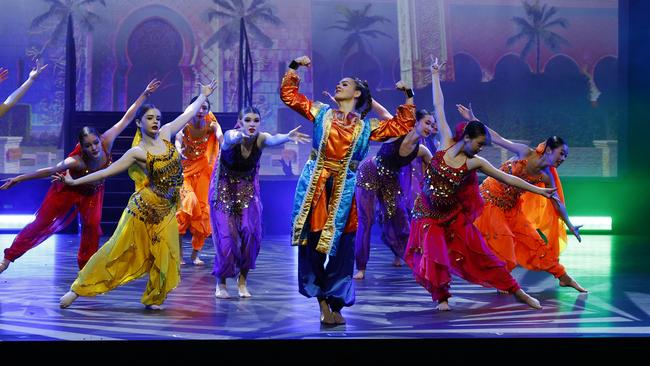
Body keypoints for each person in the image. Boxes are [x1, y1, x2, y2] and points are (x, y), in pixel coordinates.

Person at [403, 58, 556, 311]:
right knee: (433, 251)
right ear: (466, 138)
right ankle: (441, 297)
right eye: (479, 144)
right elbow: (438, 105)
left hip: (453, 216)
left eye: (483, 145)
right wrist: (434, 75)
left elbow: (507, 177)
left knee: (482, 254)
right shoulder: (444, 143)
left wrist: (539, 190)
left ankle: (518, 291)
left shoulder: (475, 163)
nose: (481, 148)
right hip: (427, 212)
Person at [57, 79, 217, 310]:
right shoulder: (137, 152)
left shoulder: (167, 134)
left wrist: (202, 95)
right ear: (140, 123)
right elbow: (107, 171)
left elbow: (188, 113)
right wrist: (74, 181)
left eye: (158, 118)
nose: (155, 122)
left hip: (166, 211)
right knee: (115, 251)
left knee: (165, 256)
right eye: (150, 118)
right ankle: (77, 289)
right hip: (142, 211)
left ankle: (154, 299)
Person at [280, 55, 416, 325]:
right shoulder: (321, 112)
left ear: (356, 93)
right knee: (313, 246)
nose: (338, 86)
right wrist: (295, 67)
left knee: (343, 249)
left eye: (344, 84)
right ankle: (321, 301)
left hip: (344, 190)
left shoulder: (366, 127)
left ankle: (337, 301)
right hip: (316, 186)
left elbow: (402, 125)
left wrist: (408, 95)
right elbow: (289, 95)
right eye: (338, 84)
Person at [0, 79, 161, 273]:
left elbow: (127, 117)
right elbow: (49, 170)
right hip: (68, 188)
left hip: (92, 191)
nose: (94, 148)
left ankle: (86, 272)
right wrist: (18, 179)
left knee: (92, 227)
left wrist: (145, 93)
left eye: (95, 143)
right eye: (88, 145)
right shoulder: (75, 161)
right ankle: (8, 258)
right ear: (82, 148)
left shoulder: (106, 141)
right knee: (41, 223)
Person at [457, 104, 586, 293]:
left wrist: (569, 224)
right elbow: (498, 139)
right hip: (489, 200)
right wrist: (473, 119)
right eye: (561, 154)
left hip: (511, 207)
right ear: (549, 150)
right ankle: (503, 279)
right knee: (504, 243)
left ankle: (563, 277)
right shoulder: (525, 152)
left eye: (565, 156)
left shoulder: (546, 176)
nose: (563, 158)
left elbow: (557, 202)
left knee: (535, 243)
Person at [210, 106, 309, 299]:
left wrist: (287, 137)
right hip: (224, 189)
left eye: (256, 120)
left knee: (250, 233)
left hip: (246, 189)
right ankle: (221, 281)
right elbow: (228, 140)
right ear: (240, 122)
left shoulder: (261, 138)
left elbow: (273, 139)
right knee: (227, 238)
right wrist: (239, 136)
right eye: (247, 120)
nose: (252, 124)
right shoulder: (232, 135)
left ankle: (242, 280)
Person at [353, 108, 436, 279]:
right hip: (370, 172)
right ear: (416, 122)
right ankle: (361, 266)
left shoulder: (422, 151)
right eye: (427, 123)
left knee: (399, 220)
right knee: (366, 220)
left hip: (390, 181)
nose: (430, 127)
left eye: (432, 125)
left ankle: (410, 259)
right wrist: (365, 100)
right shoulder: (399, 131)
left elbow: (437, 171)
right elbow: (382, 112)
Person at [174, 96, 223, 266]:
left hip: (203, 172)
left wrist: (226, 143)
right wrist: (179, 150)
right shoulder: (184, 124)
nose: (201, 111)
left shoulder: (212, 125)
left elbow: (220, 137)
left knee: (203, 214)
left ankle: (195, 255)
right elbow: (178, 139)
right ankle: (179, 256)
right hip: (185, 172)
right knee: (186, 207)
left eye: (205, 108)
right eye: (198, 108)